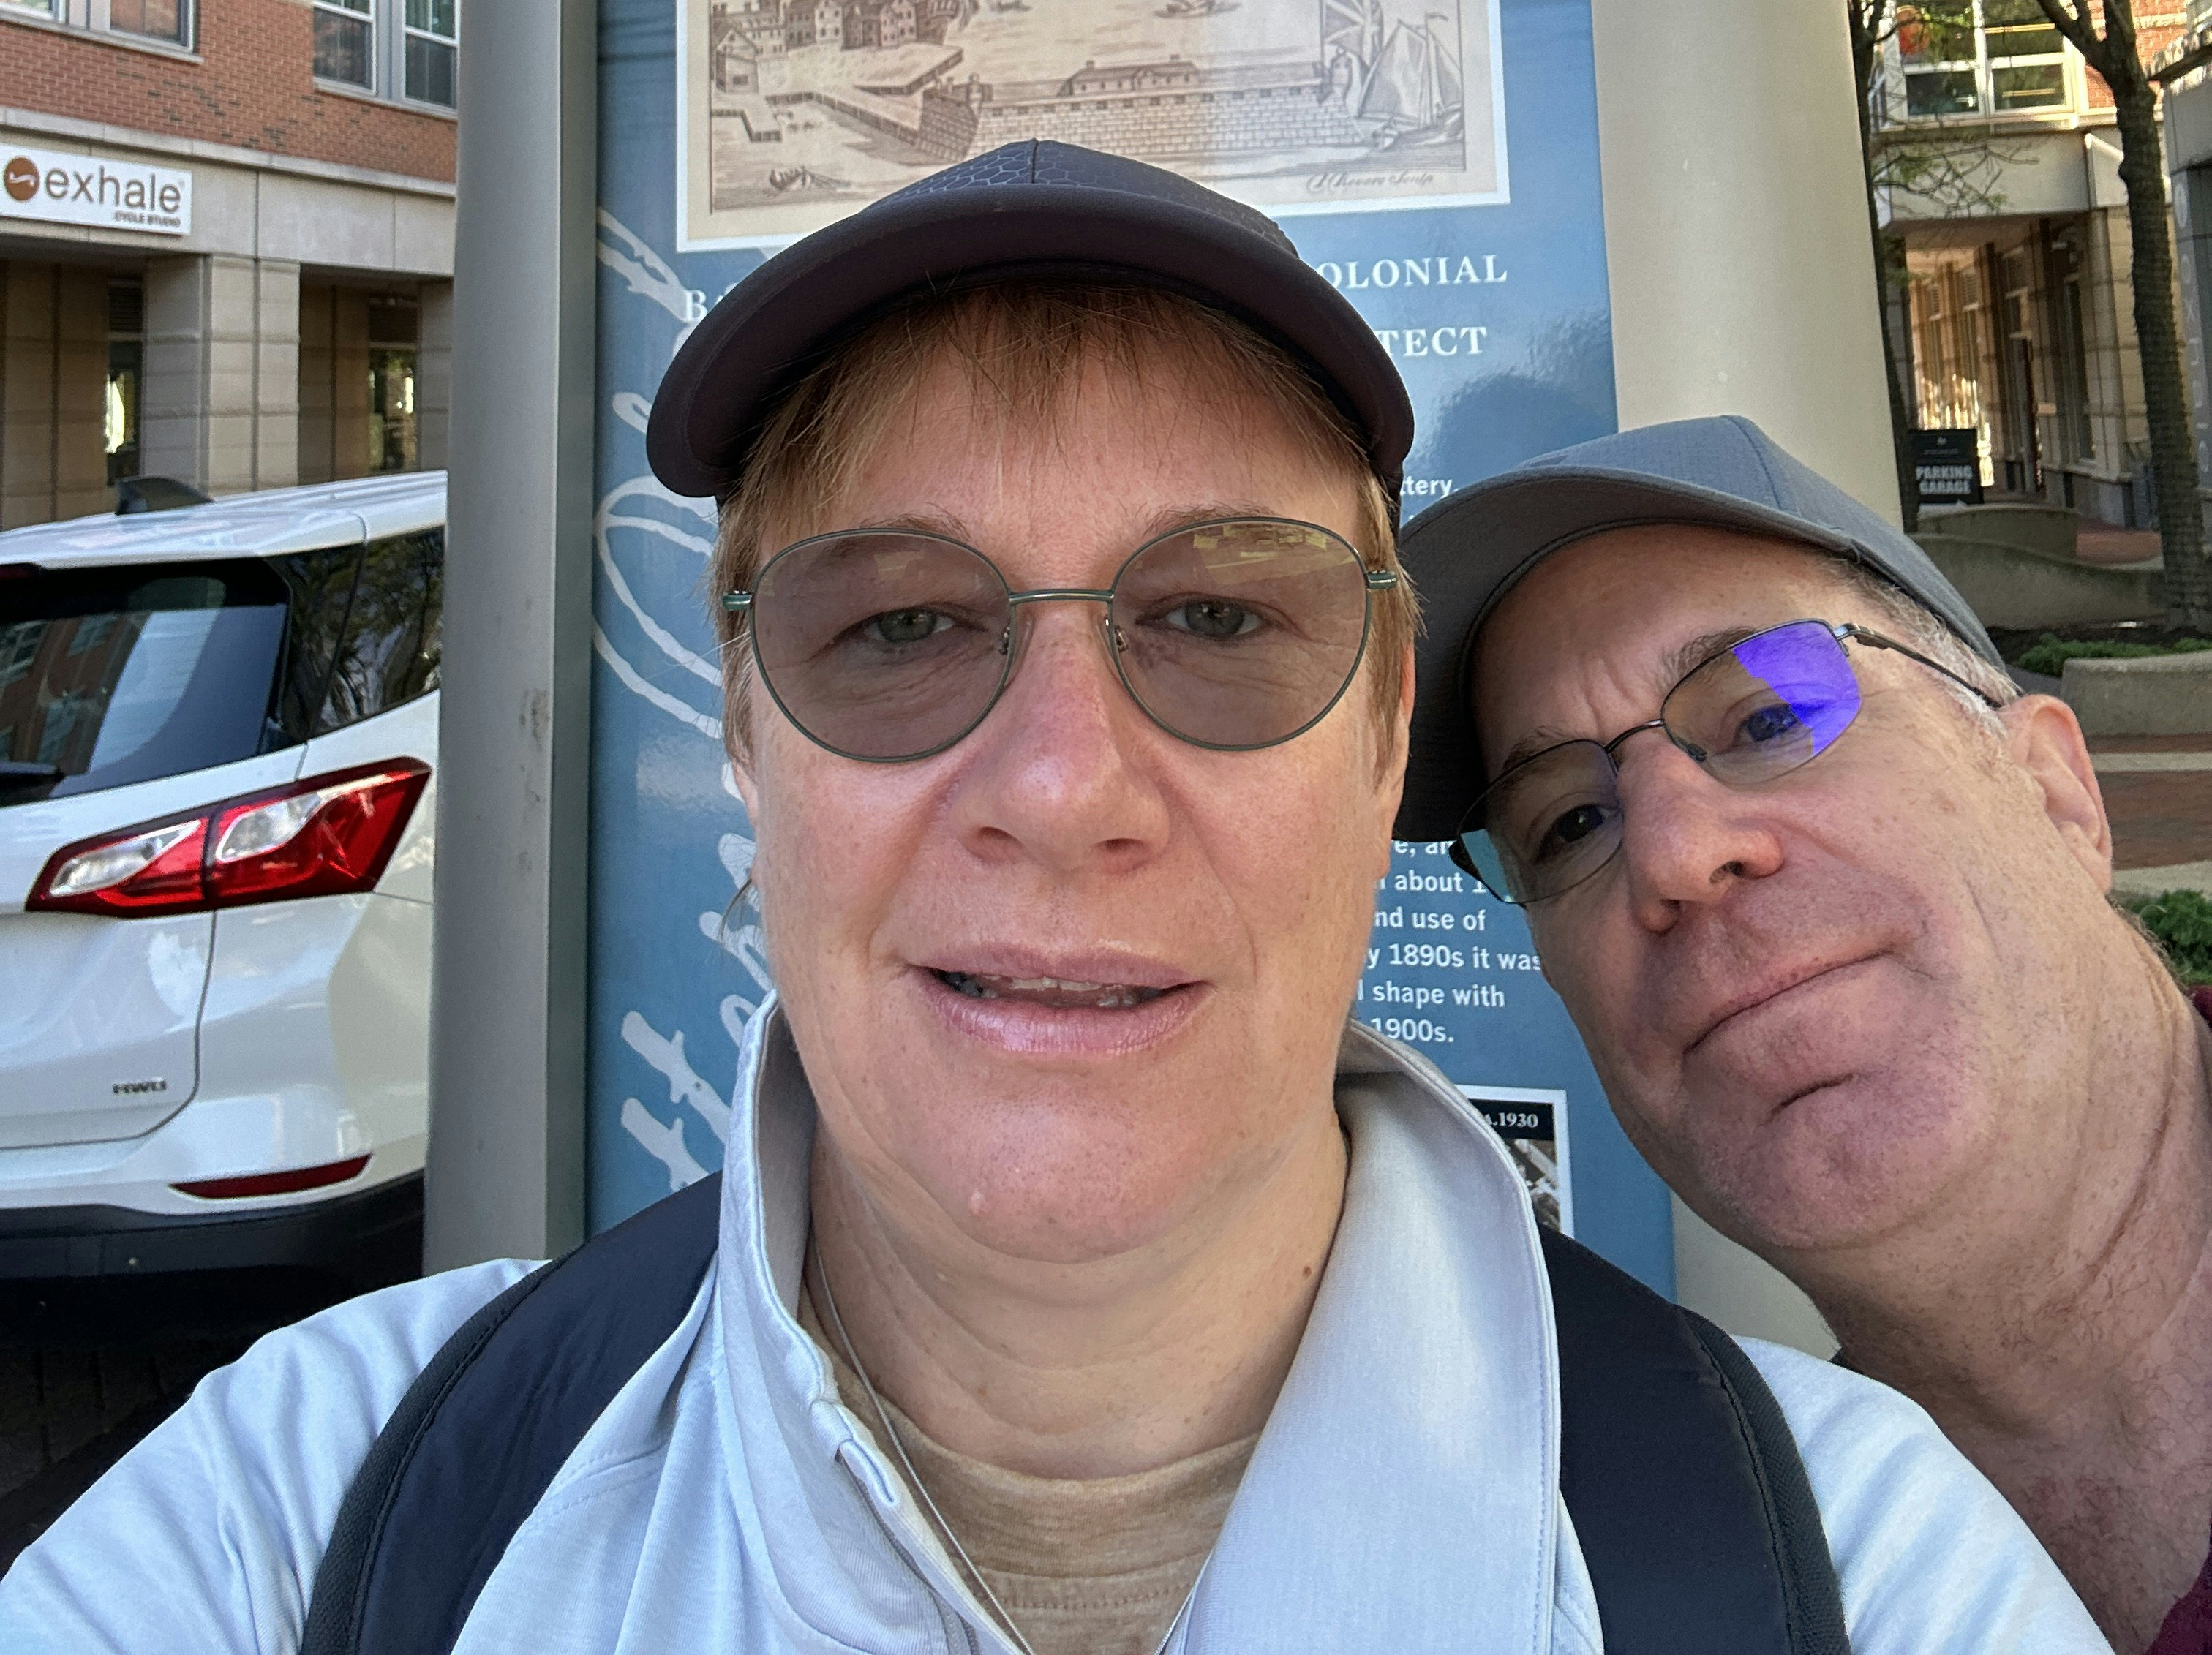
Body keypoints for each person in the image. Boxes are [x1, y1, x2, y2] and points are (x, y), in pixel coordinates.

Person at [4, 158, 2102, 1655]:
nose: (1065, 788)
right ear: (747, 743)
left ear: (1385, 744)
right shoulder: (320, 1514)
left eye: (1217, 619)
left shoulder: (1854, 1569)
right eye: (900, 628)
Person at [1399, 412, 2212, 1655]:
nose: (1672, 855)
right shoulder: (1769, 1570)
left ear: (2056, 794)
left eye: (1772, 716)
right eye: (1567, 825)